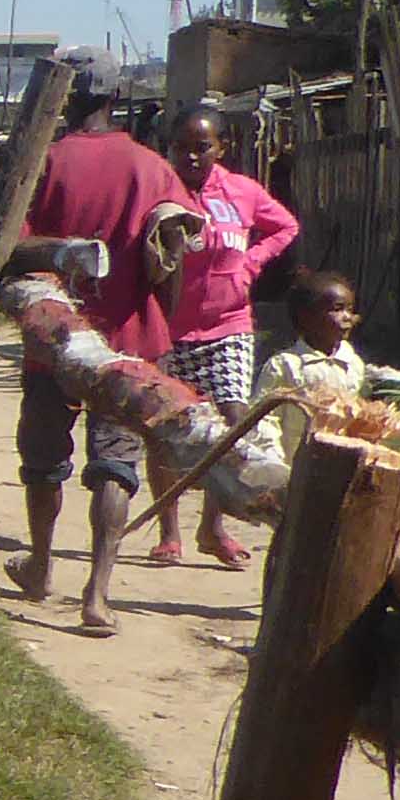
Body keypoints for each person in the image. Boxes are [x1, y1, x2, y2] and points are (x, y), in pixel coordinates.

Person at [4, 89, 186, 635]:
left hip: (54, 337)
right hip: (128, 339)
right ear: (115, 98)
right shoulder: (152, 167)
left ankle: (39, 564)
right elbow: (174, 249)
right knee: (116, 462)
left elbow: (15, 246)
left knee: (42, 457)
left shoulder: (45, 161)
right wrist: (163, 324)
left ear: (66, 97)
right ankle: (97, 595)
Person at [159, 107, 301, 567]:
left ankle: (213, 526)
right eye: (182, 147)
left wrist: (252, 263)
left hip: (228, 325)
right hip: (169, 329)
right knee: (165, 429)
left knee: (233, 418)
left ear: (222, 148)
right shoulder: (161, 191)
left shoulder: (241, 191)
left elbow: (286, 227)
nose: (192, 157)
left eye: (202, 147)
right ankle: (169, 531)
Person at [243, 270, 373, 463]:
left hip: (338, 464)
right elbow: (265, 419)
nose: (348, 317)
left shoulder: (353, 363)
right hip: (292, 463)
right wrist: (272, 458)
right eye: (337, 309)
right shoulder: (286, 365)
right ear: (306, 317)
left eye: (350, 309)